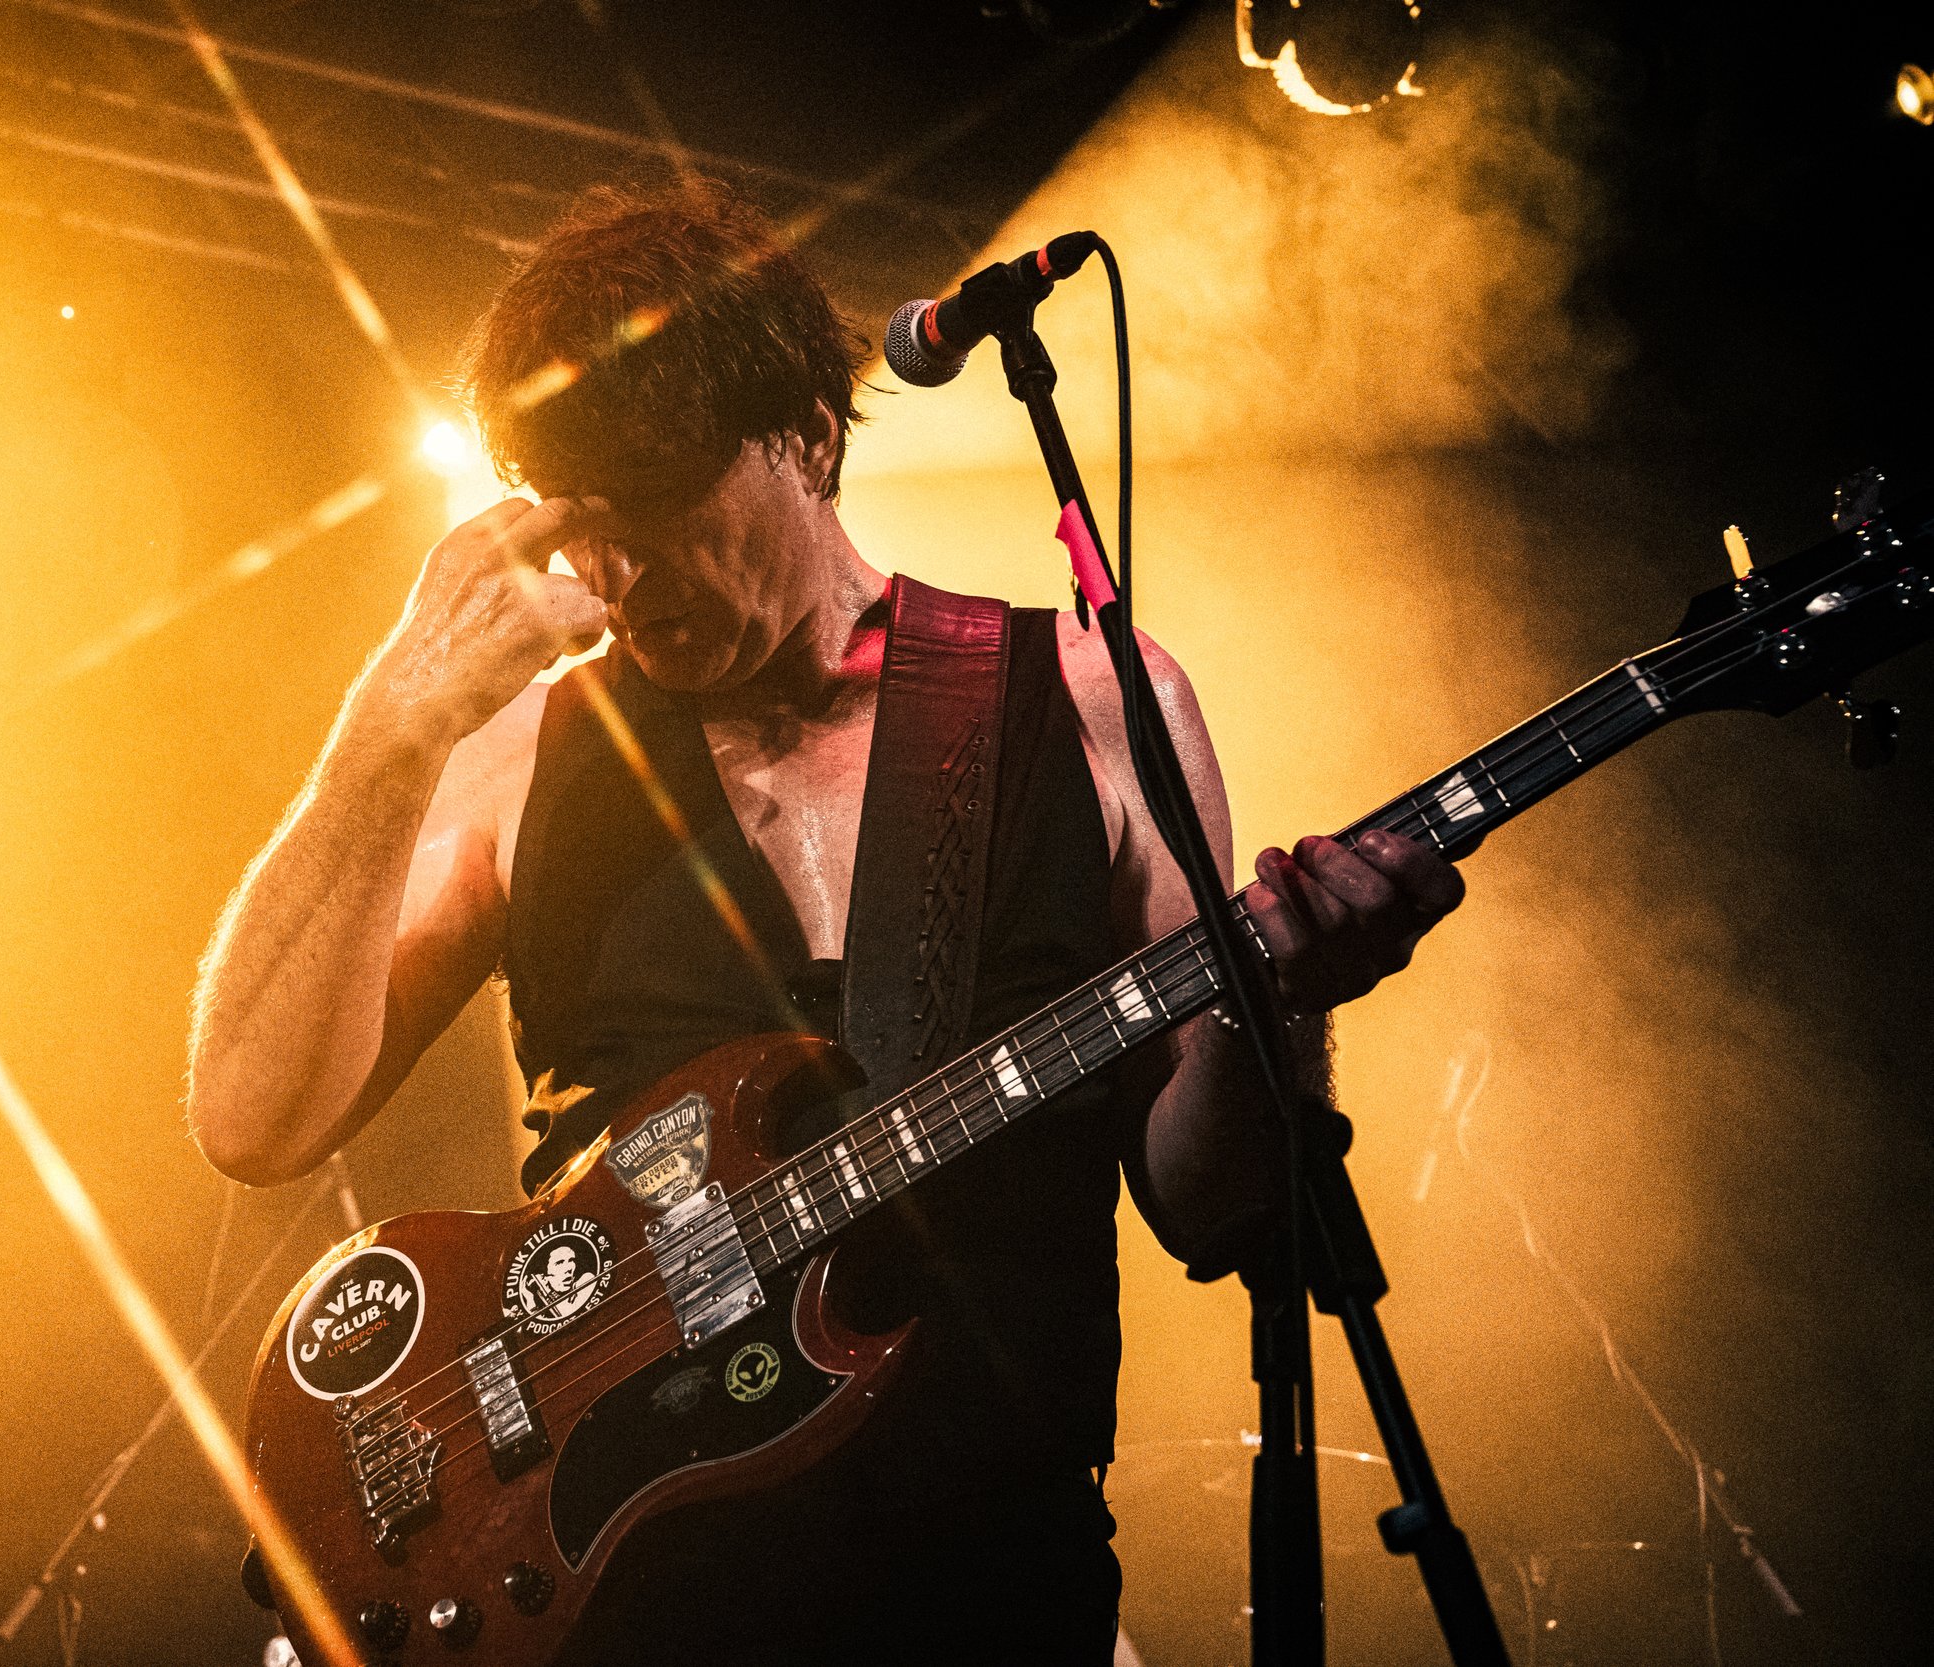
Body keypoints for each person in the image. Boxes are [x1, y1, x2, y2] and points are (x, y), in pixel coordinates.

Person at [186, 181, 1464, 1665]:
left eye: (658, 501)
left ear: (803, 433)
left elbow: (1215, 1201)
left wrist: (1283, 1001)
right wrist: (390, 729)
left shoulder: (1089, 704)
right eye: (579, 525)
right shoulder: (524, 755)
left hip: (992, 1593)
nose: (615, 577)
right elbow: (253, 1118)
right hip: (624, 1615)